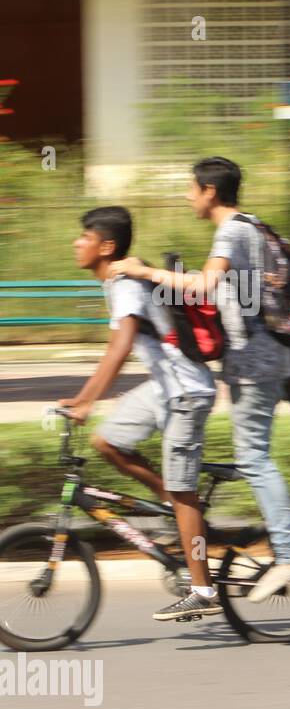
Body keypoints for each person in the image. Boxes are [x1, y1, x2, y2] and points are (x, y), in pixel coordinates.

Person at [110, 156, 290, 602]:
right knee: (246, 455)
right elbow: (221, 294)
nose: (187, 196)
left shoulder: (232, 230)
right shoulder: (251, 227)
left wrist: (143, 272)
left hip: (258, 362)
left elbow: (203, 286)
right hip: (260, 359)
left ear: (210, 192)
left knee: (254, 457)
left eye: (190, 188)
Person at [58, 206, 220, 621]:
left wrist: (85, 401)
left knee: (186, 493)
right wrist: (84, 399)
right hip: (163, 388)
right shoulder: (116, 282)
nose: (77, 242)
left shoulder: (125, 284)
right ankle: (174, 505)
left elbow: (122, 345)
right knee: (107, 441)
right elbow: (120, 345)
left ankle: (202, 588)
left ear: (106, 246)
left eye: (85, 236)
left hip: (186, 392)